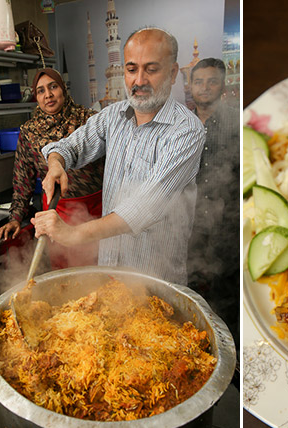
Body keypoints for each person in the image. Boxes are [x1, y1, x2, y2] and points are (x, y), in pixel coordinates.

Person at [32, 27, 205, 285]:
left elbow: (145, 207)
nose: (139, 80)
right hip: (110, 271)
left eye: (152, 69)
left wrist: (73, 234)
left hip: (154, 278)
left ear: (171, 74)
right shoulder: (114, 115)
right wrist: (57, 162)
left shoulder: (187, 130)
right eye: (132, 69)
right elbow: (70, 146)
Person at [0, 68, 104, 268]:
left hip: (94, 210)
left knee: (100, 268)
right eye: (40, 90)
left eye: (53, 87)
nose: (48, 95)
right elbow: (23, 180)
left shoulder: (89, 120)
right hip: (57, 212)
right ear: (35, 97)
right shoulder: (29, 132)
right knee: (65, 272)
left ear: (63, 89)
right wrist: (15, 217)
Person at [187, 58, 240, 348]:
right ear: (190, 86)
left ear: (223, 84)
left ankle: (230, 357)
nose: (204, 88)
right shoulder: (181, 124)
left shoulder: (235, 122)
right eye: (199, 82)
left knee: (226, 294)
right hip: (191, 222)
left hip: (227, 223)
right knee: (192, 285)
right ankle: (198, 345)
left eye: (212, 81)